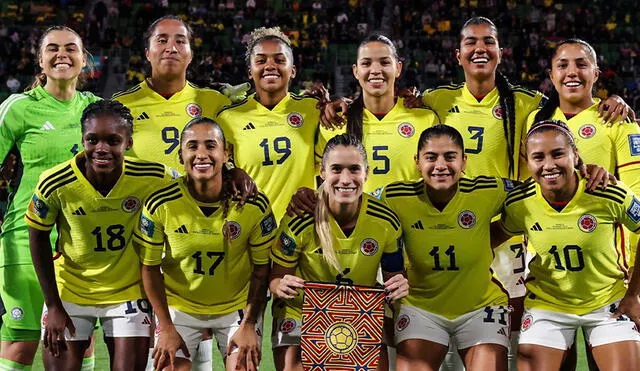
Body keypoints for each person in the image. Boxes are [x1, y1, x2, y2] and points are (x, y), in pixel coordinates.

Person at [26, 100, 174, 370]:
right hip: (69, 291)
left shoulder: (153, 176)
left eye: (113, 140)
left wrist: (232, 172)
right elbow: (36, 238)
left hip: (127, 292)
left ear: (128, 143)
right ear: (82, 139)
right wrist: (53, 305)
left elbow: (195, 182)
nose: (101, 149)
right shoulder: (55, 182)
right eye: (92, 139)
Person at [528, 39, 640, 369]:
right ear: (551, 74)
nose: (572, 72)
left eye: (580, 64)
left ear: (596, 72)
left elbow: (636, 196)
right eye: (563, 65)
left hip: (609, 275)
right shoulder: (536, 120)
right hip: (549, 275)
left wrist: (635, 278)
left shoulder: (618, 121)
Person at [134, 117, 276, 371]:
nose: (201, 154)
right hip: (180, 306)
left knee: (244, 366)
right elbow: (149, 267)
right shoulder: (160, 203)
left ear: (226, 153)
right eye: (192, 146)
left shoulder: (252, 204)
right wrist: (165, 327)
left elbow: (261, 269)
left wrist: (249, 324)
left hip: (236, 307)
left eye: (210, 145)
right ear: (180, 155)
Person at [496, 119, 640, 370]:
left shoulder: (607, 191)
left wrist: (634, 294)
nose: (548, 165)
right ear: (527, 162)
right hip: (547, 304)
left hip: (607, 302)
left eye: (558, 154)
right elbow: (491, 235)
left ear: (575, 154)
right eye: (538, 157)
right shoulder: (520, 202)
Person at [0, 25, 100, 371]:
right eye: (53, 49)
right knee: (21, 341)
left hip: (84, 243)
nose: (62, 55)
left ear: (83, 59)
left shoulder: (97, 110)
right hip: (25, 239)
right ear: (39, 60)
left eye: (71, 48)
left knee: (80, 342)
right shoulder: (18, 108)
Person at [270, 133, 408, 371]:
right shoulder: (300, 219)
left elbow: (394, 278)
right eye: (336, 169)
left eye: (354, 169)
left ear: (367, 172)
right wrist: (280, 285)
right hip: (301, 313)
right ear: (322, 172)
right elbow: (275, 278)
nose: (346, 179)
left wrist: (401, 285)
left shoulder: (385, 221)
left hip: (360, 313)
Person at [382, 125, 510, 370]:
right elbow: (350, 201)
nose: (440, 165)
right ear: (417, 162)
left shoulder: (489, 190)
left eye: (450, 156)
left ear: (464, 161)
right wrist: (311, 196)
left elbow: (540, 187)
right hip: (420, 307)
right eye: (431, 157)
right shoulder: (394, 196)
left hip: (481, 307)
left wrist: (584, 171)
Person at [316, 34, 440, 197]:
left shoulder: (425, 119)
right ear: (356, 71)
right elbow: (321, 181)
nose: (375, 70)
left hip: (411, 221)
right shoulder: (335, 121)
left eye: (385, 62)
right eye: (366, 63)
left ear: (398, 68)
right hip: (356, 222)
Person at [216, 27, 320, 220]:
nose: (270, 66)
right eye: (261, 60)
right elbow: (218, 169)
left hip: (300, 227)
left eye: (279, 60)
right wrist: (231, 171)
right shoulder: (228, 118)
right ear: (250, 71)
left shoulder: (313, 110)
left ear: (293, 71)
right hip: (247, 227)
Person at [113, 15, 231, 173]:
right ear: (147, 53)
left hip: (198, 198)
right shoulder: (120, 105)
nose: (171, 48)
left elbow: (234, 157)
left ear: (191, 55)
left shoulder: (215, 102)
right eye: (162, 40)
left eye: (180, 41)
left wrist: (235, 172)